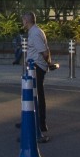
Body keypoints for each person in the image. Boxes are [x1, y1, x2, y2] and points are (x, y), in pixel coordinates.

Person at [21, 12, 53, 141]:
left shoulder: (34, 33)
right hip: (36, 66)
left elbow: (44, 52)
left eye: (23, 20)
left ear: (26, 20)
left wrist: (48, 63)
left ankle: (40, 123)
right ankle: (33, 120)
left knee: (37, 95)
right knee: (34, 95)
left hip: (37, 67)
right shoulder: (35, 31)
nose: (22, 22)